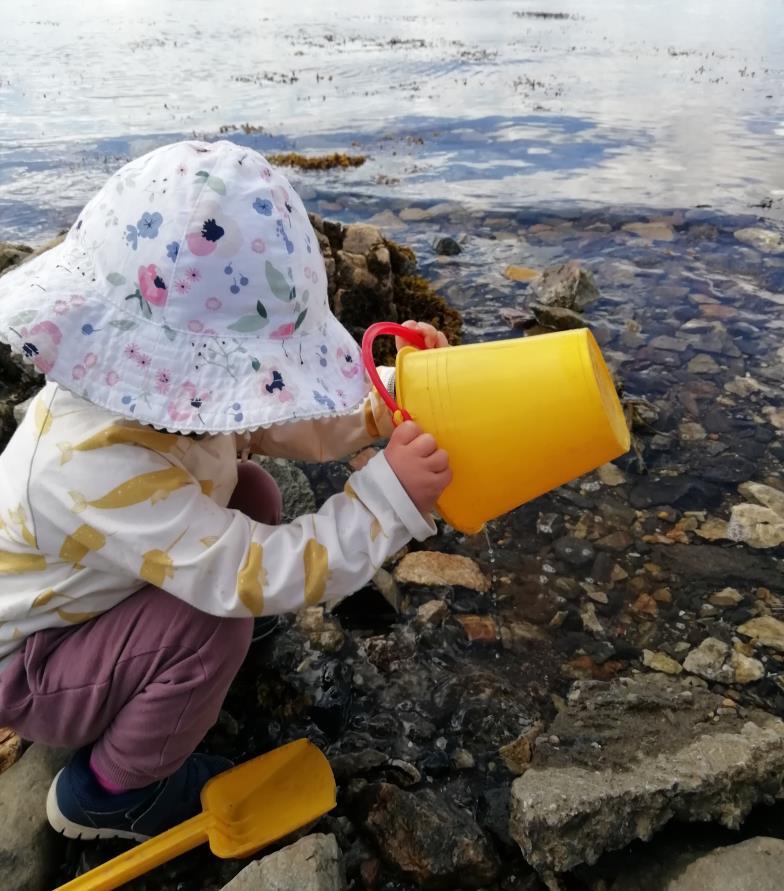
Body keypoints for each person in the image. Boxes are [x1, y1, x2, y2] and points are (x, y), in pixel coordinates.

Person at [0, 140, 451, 841]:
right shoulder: (98, 469)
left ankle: (188, 666)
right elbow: (255, 573)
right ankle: (115, 789)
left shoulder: (155, 396)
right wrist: (387, 502)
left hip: (89, 598)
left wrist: (388, 400)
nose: (248, 398)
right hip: (33, 663)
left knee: (254, 491)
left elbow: (284, 423)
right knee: (218, 613)